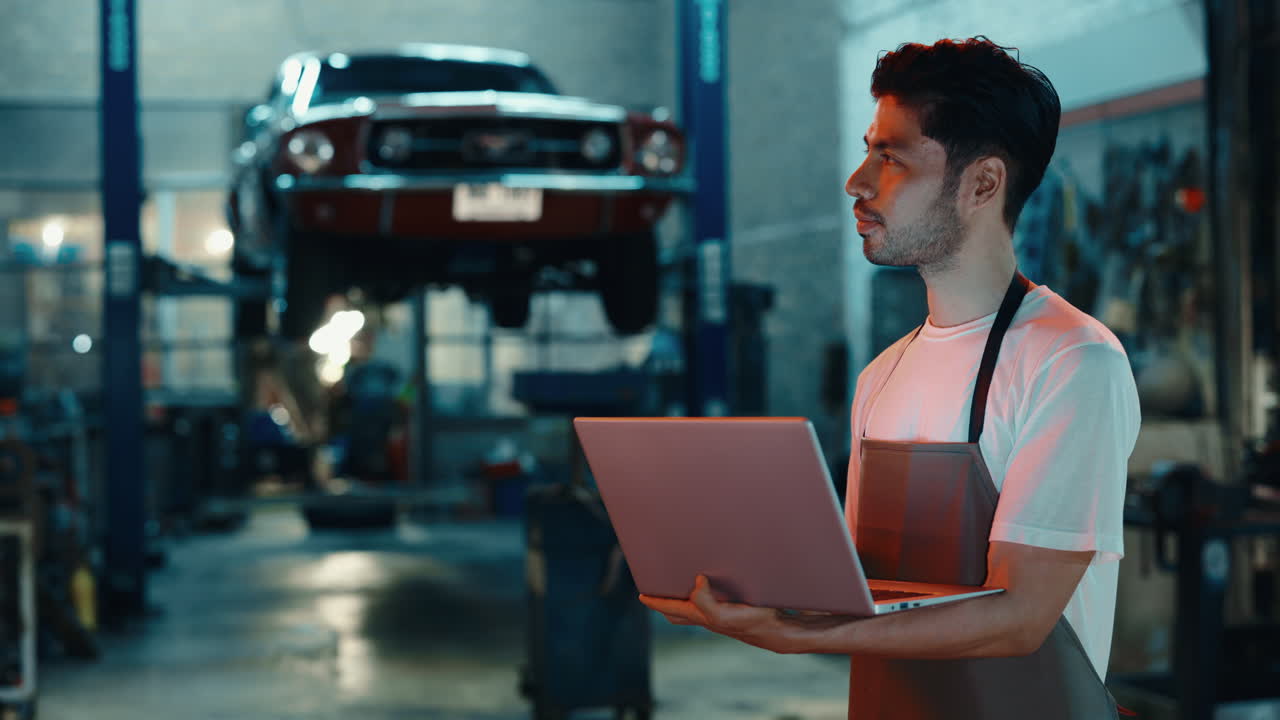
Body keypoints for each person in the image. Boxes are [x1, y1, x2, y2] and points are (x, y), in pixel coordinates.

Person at [639, 37, 1141, 719]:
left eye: (891, 158)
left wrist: (802, 636)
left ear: (983, 184)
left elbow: (1021, 616)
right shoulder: (882, 375)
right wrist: (747, 582)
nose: (858, 182)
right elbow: (866, 589)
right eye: (868, 150)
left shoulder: (1072, 361)